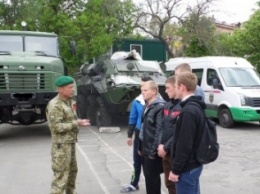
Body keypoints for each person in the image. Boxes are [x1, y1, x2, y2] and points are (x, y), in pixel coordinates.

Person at [46, 76, 90, 194]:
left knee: (71, 175)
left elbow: (68, 119)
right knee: (60, 179)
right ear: (61, 89)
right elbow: (56, 127)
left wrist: (78, 121)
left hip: (69, 144)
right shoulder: (55, 105)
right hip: (61, 147)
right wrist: (76, 123)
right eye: (70, 88)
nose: (73, 90)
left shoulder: (68, 101)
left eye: (73, 87)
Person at [169, 72, 206, 194]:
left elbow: (184, 144)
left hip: (187, 168)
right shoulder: (195, 107)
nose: (174, 88)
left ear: (182, 87)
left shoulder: (188, 111)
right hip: (193, 164)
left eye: (175, 85)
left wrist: (175, 170)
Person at [121, 76, 153, 193]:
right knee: (137, 160)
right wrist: (130, 135)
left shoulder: (159, 101)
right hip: (139, 133)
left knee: (150, 162)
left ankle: (152, 185)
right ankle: (134, 183)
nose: (142, 89)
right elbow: (132, 118)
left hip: (151, 135)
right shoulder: (137, 101)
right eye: (141, 87)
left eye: (144, 87)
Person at [140, 80, 166, 194]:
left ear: (154, 91)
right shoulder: (147, 105)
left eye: (145, 90)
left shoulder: (159, 106)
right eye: (142, 91)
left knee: (153, 178)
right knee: (148, 177)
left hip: (152, 150)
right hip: (145, 148)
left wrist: (152, 152)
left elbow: (159, 130)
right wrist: (140, 147)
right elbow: (144, 129)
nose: (143, 93)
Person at [157, 76, 181, 194]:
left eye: (168, 88)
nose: (165, 91)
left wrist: (165, 147)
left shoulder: (182, 107)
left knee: (178, 184)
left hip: (175, 153)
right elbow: (162, 127)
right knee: (169, 183)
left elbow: (179, 133)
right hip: (165, 152)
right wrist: (161, 144)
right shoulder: (167, 106)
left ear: (177, 88)